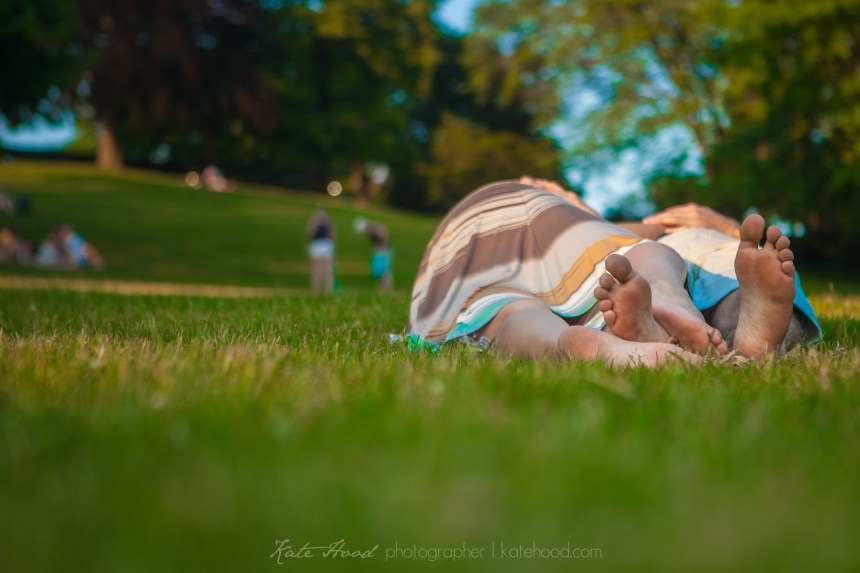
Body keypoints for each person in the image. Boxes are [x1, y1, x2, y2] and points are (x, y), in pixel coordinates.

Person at [408, 178, 815, 367]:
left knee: (507, 311)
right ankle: (669, 296)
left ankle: (567, 345)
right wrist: (574, 205)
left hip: (463, 243)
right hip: (568, 232)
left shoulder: (498, 211)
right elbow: (648, 234)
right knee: (645, 254)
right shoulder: (564, 211)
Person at [34, 225, 104, 270]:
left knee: (88, 248)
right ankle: (98, 266)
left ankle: (99, 266)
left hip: (72, 260)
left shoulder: (74, 240)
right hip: (57, 261)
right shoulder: (50, 242)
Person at [355, 218, 393, 291]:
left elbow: (384, 239)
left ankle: (387, 289)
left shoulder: (376, 230)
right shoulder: (375, 228)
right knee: (379, 273)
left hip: (383, 252)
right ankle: (382, 288)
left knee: (384, 272)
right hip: (380, 251)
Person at [307, 209, 336, 294]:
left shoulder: (314, 223)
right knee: (327, 272)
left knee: (317, 271)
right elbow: (332, 236)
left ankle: (316, 291)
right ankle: (327, 291)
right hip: (326, 247)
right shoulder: (329, 224)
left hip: (317, 248)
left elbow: (309, 235)